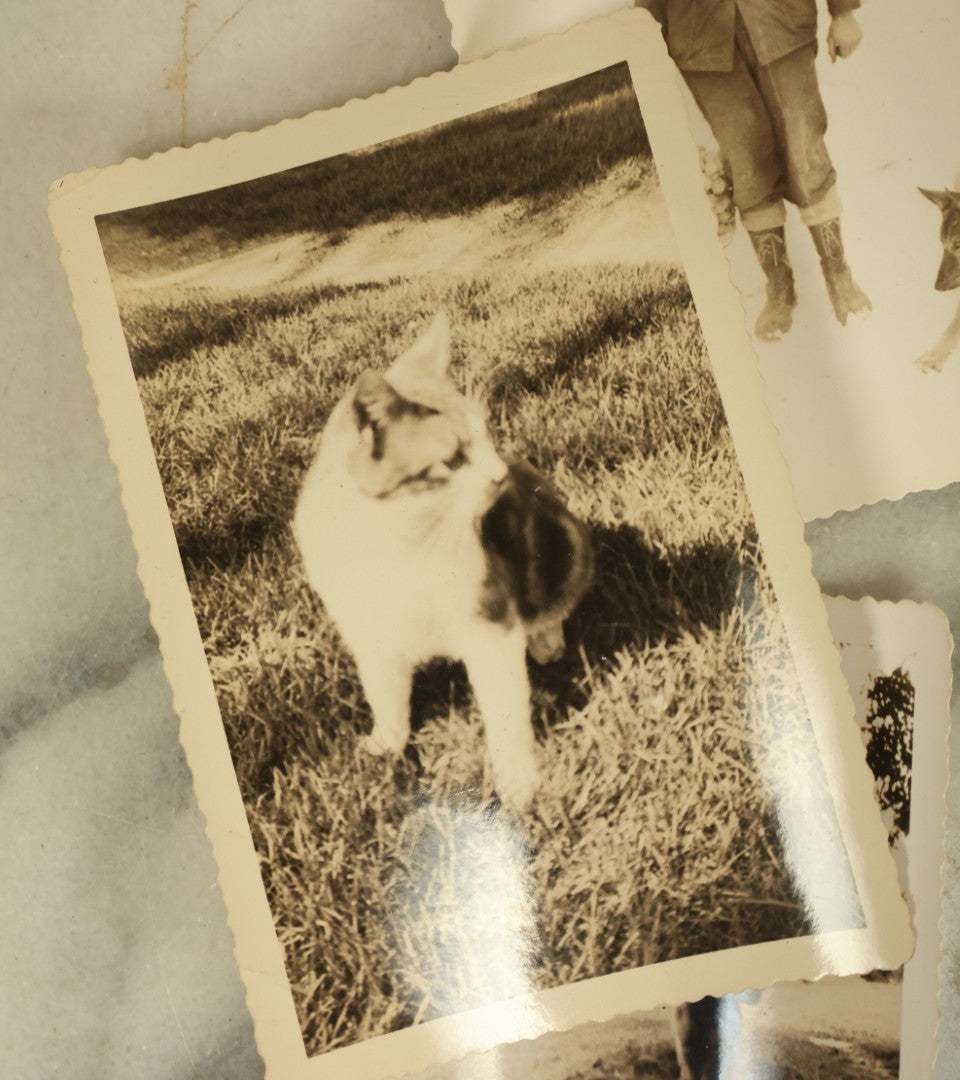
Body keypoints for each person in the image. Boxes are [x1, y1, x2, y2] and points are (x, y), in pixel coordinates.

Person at [639, 0, 872, 340]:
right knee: (746, 162)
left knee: (806, 151)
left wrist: (843, 12)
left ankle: (838, 274)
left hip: (779, 21)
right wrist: (645, 47)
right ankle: (780, 287)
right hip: (700, 38)